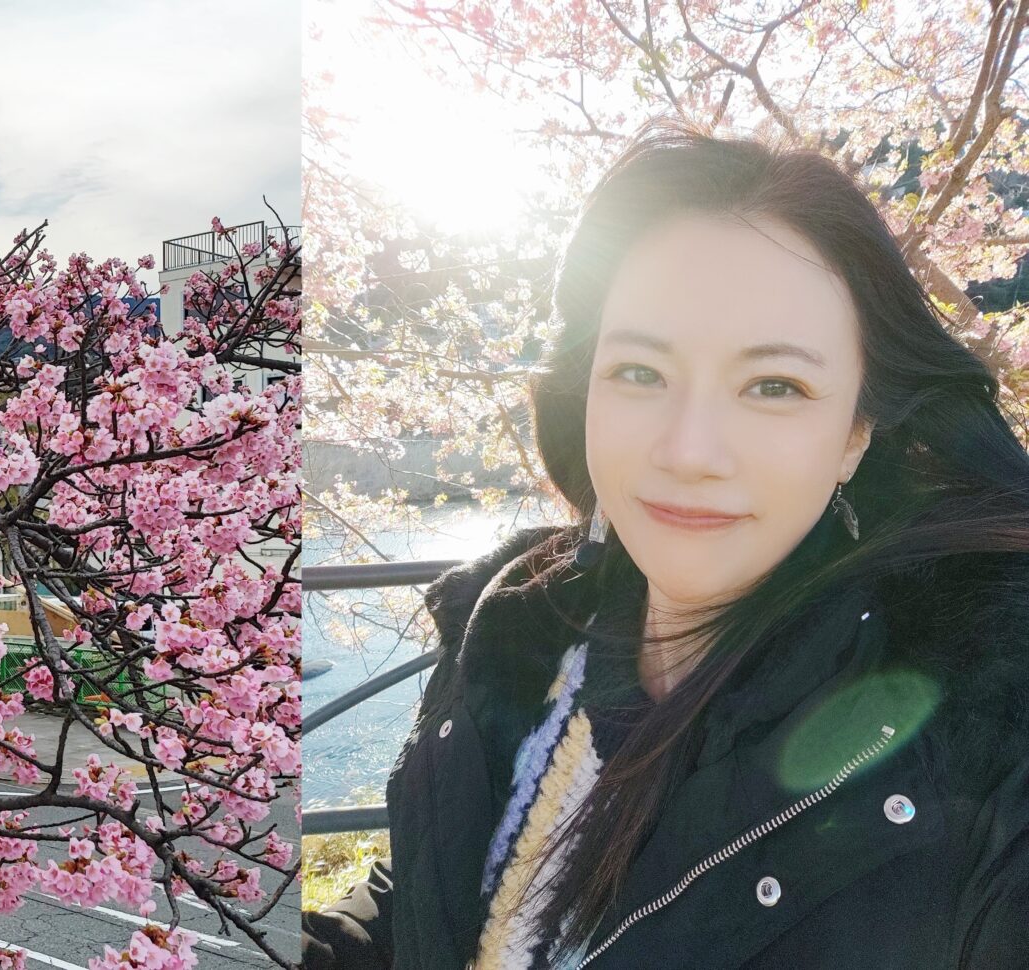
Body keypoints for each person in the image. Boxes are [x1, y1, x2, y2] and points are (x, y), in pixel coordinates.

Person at [304, 124, 1029, 969]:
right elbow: (432, 878)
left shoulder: (978, 734)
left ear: (856, 434)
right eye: (640, 373)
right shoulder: (519, 630)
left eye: (774, 386)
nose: (689, 451)